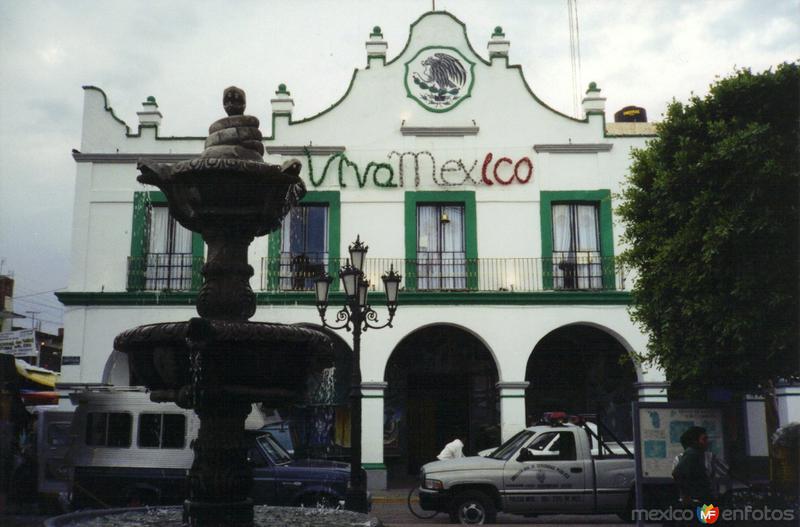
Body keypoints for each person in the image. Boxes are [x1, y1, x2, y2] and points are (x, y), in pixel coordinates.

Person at [672, 426, 713, 504]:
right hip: (697, 500)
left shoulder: (685, 456)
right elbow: (678, 474)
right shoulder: (693, 454)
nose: (707, 442)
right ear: (695, 441)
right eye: (704, 439)